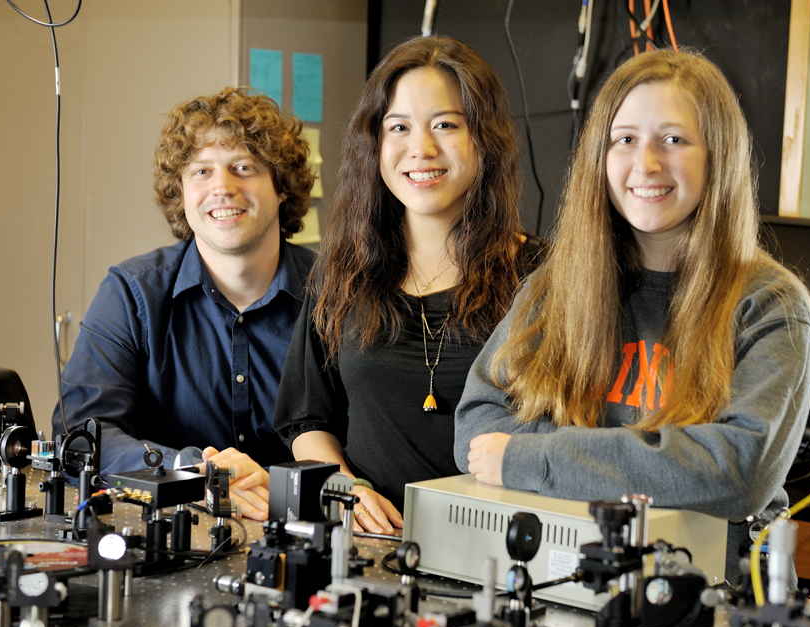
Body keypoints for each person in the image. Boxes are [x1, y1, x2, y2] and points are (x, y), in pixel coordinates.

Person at [453, 49, 810, 582]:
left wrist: (534, 460)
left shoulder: (770, 305)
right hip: (572, 584)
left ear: (717, 157)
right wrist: (663, 465)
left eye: (673, 140)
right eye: (624, 139)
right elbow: (478, 427)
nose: (646, 163)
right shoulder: (554, 288)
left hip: (714, 604)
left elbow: (737, 471)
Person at [273, 36, 544, 534]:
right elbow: (308, 418)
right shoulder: (342, 272)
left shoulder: (542, 276)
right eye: (399, 127)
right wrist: (343, 486)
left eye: (445, 125)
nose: (420, 149)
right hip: (370, 547)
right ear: (374, 143)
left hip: (499, 549)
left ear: (484, 138)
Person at [55, 87, 315, 521]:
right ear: (181, 191)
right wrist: (190, 471)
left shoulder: (339, 293)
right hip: (173, 534)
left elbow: (366, 439)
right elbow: (81, 434)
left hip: (305, 533)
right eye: (201, 171)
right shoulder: (132, 293)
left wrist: (284, 484)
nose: (223, 188)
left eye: (243, 167)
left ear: (282, 187)